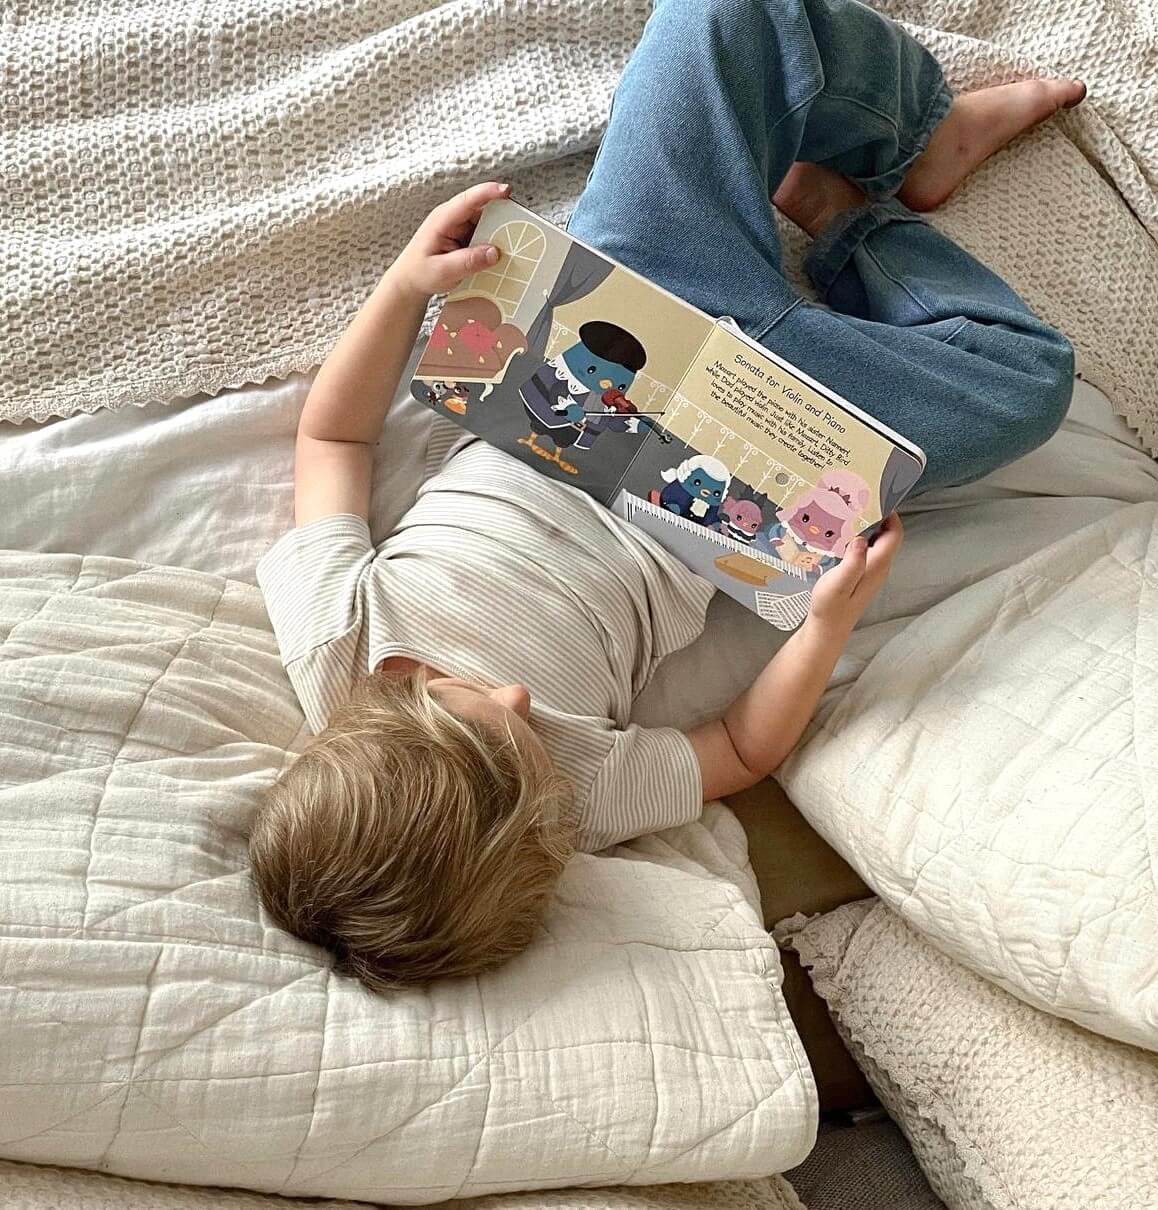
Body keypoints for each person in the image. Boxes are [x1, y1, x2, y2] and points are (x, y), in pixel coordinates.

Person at [249, 0, 1084, 991]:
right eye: (529, 737)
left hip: (620, 315)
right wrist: (824, 623)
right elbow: (740, 745)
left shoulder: (333, 639)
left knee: (727, 12)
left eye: (486, 706)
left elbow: (334, 436)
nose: (525, 701)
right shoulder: (574, 796)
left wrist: (402, 289)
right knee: (1031, 385)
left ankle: (919, 134)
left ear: (385, 695)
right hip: (769, 462)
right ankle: (852, 226)